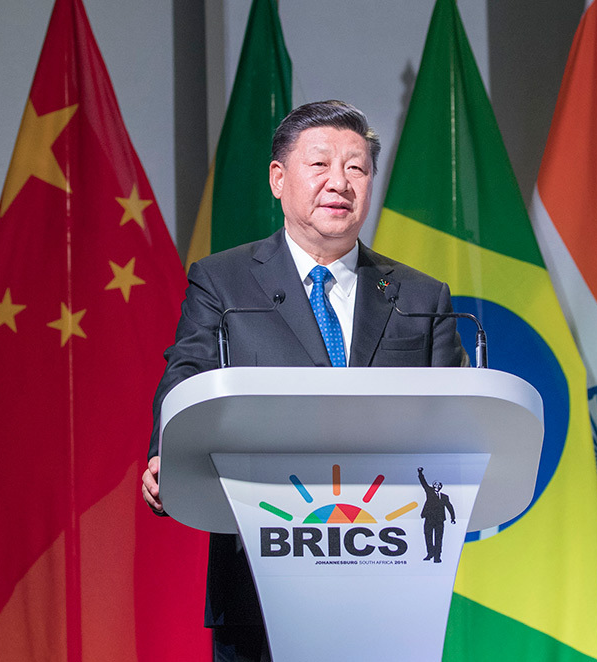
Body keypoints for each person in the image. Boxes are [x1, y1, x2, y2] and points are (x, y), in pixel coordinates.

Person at [141, 100, 466, 661]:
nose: (339, 182)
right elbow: (187, 373)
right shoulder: (223, 282)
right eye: (320, 165)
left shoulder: (421, 296)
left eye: (356, 168)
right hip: (259, 579)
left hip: (390, 580)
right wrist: (167, 454)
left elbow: (456, 417)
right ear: (278, 178)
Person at [417, 466, 456, 563]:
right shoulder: (429, 492)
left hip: (439, 520)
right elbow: (424, 483)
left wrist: (453, 518)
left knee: (438, 539)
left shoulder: (444, 497)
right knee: (428, 536)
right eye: (435, 485)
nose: (437, 487)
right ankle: (430, 553)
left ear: (441, 487)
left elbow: (449, 507)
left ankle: (437, 557)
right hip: (429, 519)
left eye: (439, 485)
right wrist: (420, 473)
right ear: (433, 486)